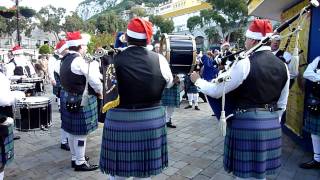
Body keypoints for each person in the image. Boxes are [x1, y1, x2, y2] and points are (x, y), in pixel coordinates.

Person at [191, 19, 290, 180]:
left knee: (245, 177)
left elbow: (217, 91)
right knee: (260, 175)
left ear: (252, 40)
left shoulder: (245, 63)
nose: (245, 42)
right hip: (272, 123)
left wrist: (198, 81)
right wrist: (271, 120)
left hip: (247, 123)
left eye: (246, 39)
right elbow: (282, 104)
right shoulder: (282, 65)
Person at [99, 17, 173, 180]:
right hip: (150, 122)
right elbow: (168, 83)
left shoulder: (112, 59)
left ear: (127, 37)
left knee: (118, 175)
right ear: (147, 39)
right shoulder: (159, 59)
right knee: (144, 174)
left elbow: (105, 87)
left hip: (119, 122)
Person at [60, 31, 102, 171]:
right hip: (80, 99)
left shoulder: (65, 59)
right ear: (79, 46)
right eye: (84, 45)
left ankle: (75, 158)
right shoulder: (79, 60)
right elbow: (94, 79)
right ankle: (80, 162)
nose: (85, 48)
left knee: (71, 131)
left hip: (68, 97)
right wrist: (100, 91)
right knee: (80, 133)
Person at [48, 40, 70, 151]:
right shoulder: (55, 59)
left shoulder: (64, 59)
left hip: (66, 90)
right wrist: (52, 79)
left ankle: (67, 140)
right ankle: (64, 141)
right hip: (62, 89)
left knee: (66, 118)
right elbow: (51, 70)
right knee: (65, 117)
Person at [300, 56, 320, 169]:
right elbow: (306, 73)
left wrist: (316, 77)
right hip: (317, 100)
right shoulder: (318, 59)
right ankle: (317, 160)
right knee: (315, 133)